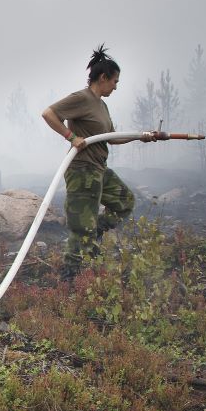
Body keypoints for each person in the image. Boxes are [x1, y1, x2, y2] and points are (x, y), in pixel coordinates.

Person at [41, 44, 155, 280]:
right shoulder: (81, 98)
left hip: (98, 170)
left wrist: (141, 137)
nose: (115, 86)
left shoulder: (101, 105)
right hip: (82, 171)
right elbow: (49, 114)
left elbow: (112, 138)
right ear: (103, 77)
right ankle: (69, 279)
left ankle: (94, 231)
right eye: (115, 81)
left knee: (125, 201)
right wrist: (71, 137)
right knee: (80, 231)